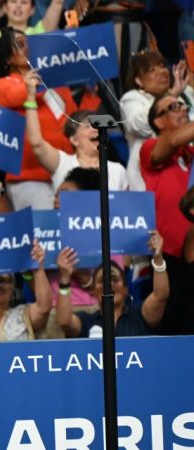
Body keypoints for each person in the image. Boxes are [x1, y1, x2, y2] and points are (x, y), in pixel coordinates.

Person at [0, 28, 76, 210]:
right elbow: (16, 94)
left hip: (68, 175)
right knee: (44, 235)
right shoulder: (0, 85)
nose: (28, 47)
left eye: (31, 42)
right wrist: (34, 84)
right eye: (20, 44)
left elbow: (74, 120)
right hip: (28, 178)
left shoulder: (58, 85)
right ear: (8, 59)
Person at [141, 95, 194, 334]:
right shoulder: (150, 147)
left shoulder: (190, 153)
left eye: (184, 104)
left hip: (192, 257)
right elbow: (173, 139)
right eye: (174, 107)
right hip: (168, 257)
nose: (183, 109)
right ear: (158, 121)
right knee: (171, 328)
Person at [24, 70, 129, 191]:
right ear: (74, 140)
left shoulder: (118, 170)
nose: (96, 130)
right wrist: (31, 97)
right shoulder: (62, 164)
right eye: (87, 126)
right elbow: (36, 144)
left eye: (97, 126)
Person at [55, 231, 169, 338]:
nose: (108, 284)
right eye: (102, 281)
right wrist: (65, 278)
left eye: (114, 279)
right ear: (93, 291)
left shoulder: (140, 316)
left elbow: (160, 296)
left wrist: (158, 258)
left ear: (125, 289)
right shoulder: (87, 321)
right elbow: (65, 321)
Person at [120, 51, 192, 191]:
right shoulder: (131, 98)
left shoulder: (181, 98)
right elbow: (141, 124)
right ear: (139, 80)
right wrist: (171, 95)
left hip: (183, 170)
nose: (162, 72)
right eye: (151, 69)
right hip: (149, 179)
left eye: (162, 66)